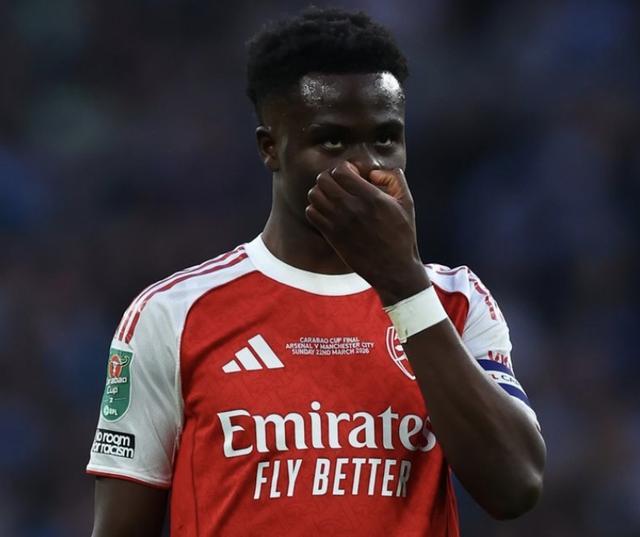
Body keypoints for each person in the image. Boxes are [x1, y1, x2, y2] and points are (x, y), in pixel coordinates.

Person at [88, 7, 546, 536]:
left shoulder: (455, 300)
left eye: (385, 138)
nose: (365, 166)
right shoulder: (174, 314)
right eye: (332, 141)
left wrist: (403, 285)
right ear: (271, 149)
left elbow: (516, 485)